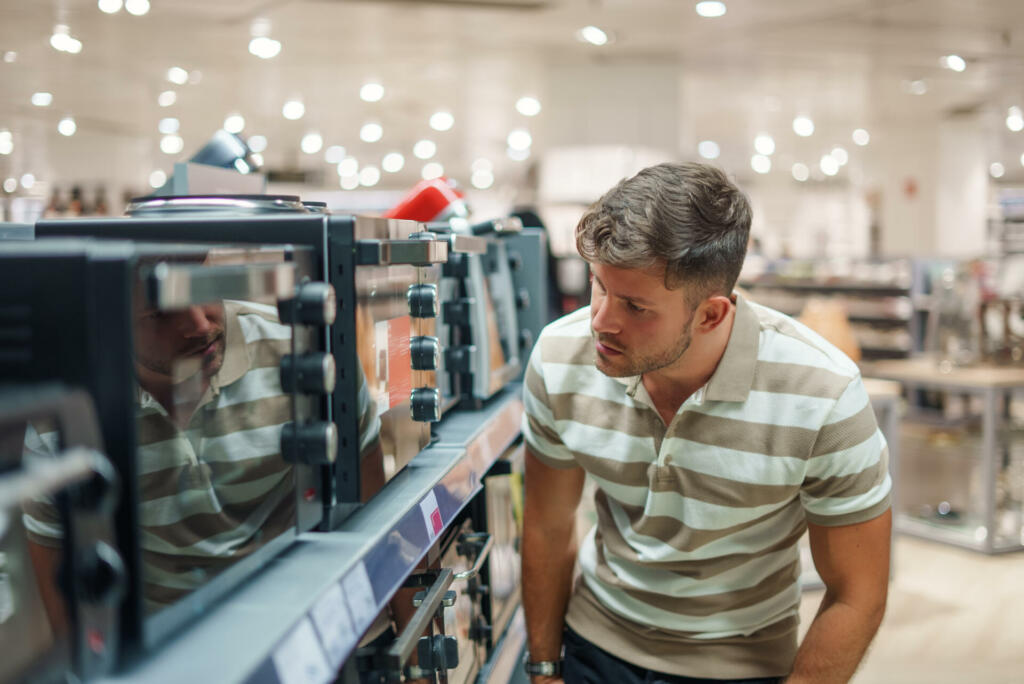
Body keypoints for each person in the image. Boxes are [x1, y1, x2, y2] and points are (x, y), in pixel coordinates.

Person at [521, 162, 891, 684]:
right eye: (598, 286)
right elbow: (546, 523)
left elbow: (858, 592)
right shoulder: (560, 357)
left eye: (634, 305)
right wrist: (542, 666)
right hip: (594, 646)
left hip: (741, 666)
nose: (601, 320)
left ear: (711, 315)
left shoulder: (822, 396)